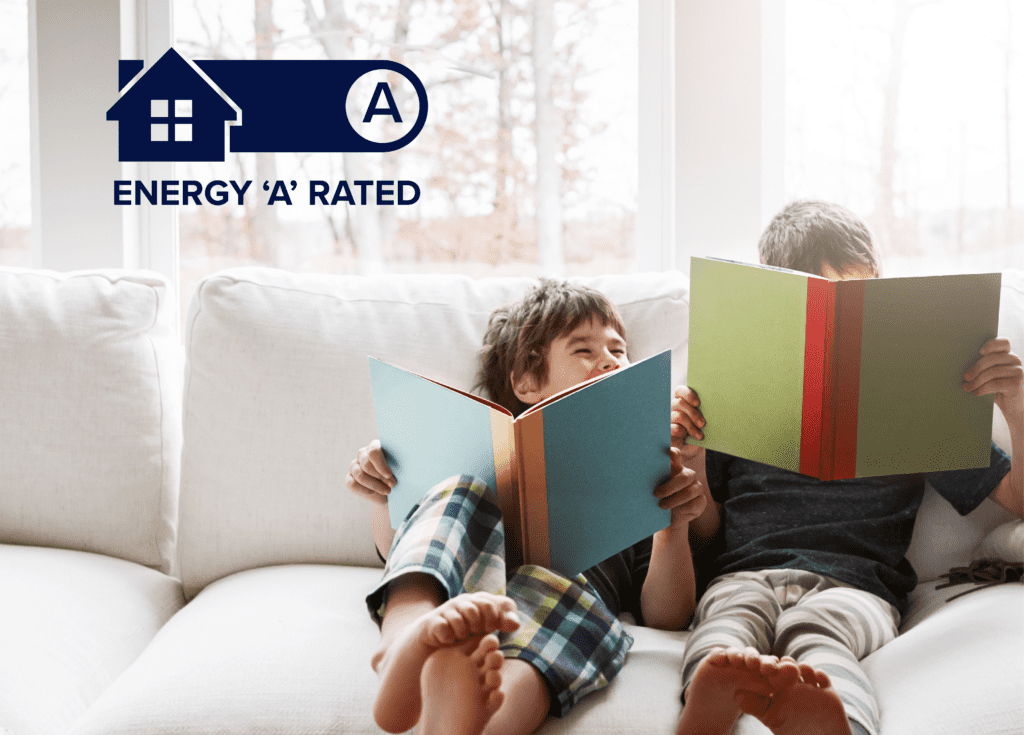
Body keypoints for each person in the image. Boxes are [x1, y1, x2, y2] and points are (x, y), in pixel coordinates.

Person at [671, 200, 1023, 735]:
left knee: (821, 632)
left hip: (856, 587)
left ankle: (841, 723)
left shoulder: (915, 393)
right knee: (725, 627)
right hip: (744, 572)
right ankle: (709, 707)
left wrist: (1014, 405)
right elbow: (705, 531)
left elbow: (1017, 499)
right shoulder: (735, 387)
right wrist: (692, 460)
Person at [346, 279, 710, 735]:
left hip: (563, 591)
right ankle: (404, 639)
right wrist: (386, 492)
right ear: (528, 382)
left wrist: (670, 528)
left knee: (575, 612)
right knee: (457, 491)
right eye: (583, 350)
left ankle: (473, 722)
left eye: (619, 350)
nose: (610, 359)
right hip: (464, 582)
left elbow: (666, 615)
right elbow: (398, 546)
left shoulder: (640, 474)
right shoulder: (479, 452)